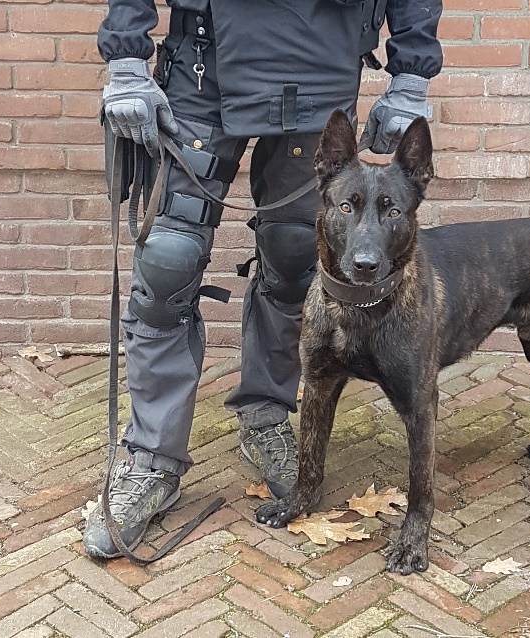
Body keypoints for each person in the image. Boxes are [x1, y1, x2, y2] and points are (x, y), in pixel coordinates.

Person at [83, 0, 442, 559]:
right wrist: (127, 60)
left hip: (321, 66)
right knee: (168, 262)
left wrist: (411, 74)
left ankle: (267, 414)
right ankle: (152, 458)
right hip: (204, 63)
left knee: (296, 255)